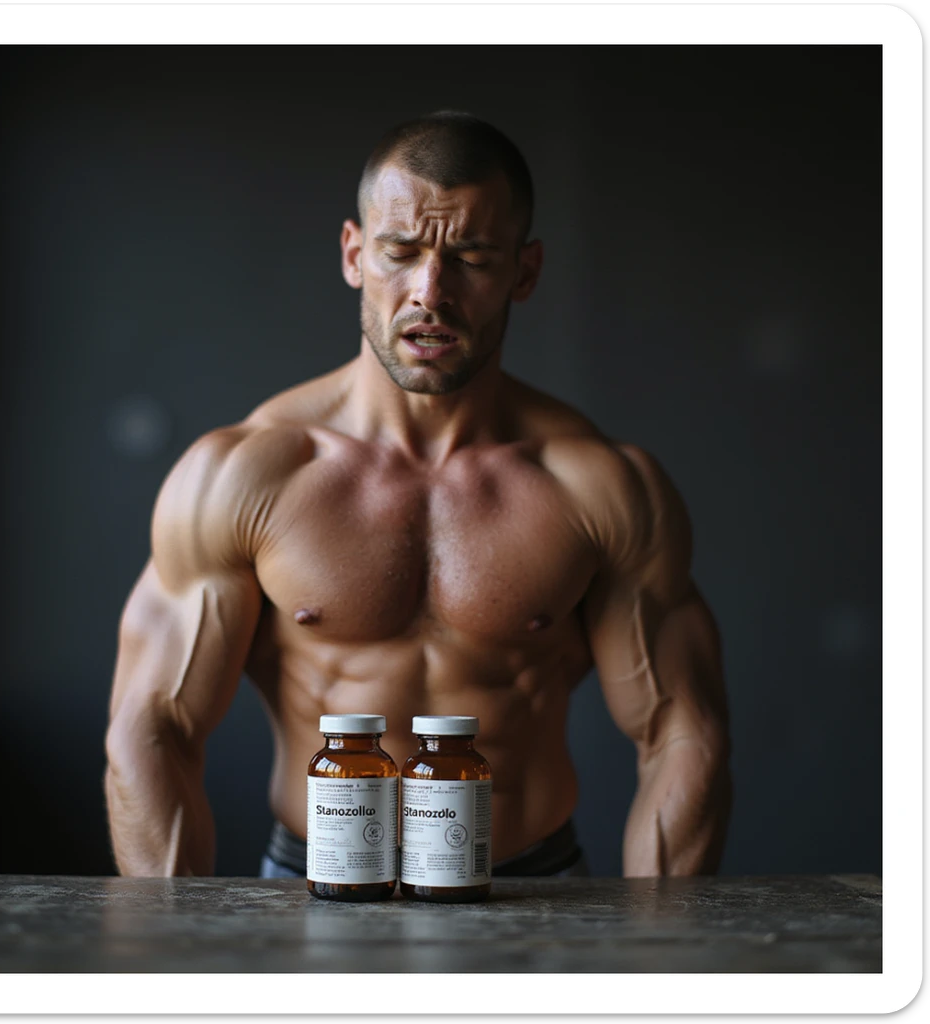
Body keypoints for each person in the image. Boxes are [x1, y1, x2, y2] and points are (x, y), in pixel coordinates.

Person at [104, 111, 731, 880]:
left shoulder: (597, 485)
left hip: (532, 891)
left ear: (524, 273)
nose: (430, 293)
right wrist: (167, 958)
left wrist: (665, 958)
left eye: (471, 257)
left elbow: (682, 732)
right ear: (354, 254)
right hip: (316, 885)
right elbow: (154, 727)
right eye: (400, 252)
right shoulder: (248, 475)